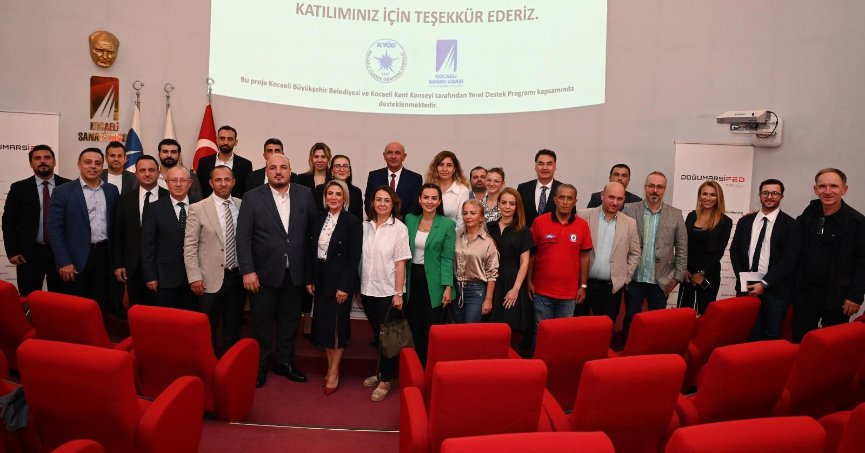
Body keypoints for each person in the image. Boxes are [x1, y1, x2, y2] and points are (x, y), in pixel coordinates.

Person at [237, 154, 317, 387]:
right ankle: (260, 365)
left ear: (291, 170)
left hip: (294, 274)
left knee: (289, 322)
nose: (278, 171)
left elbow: (312, 236)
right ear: (267, 171)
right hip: (262, 276)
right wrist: (248, 270)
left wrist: (310, 274)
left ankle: (285, 362)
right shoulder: (252, 197)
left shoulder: (305, 194)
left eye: (283, 167)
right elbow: (243, 238)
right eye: (273, 168)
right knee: (261, 323)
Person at [793, 168, 865, 342]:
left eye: (833, 186)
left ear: (844, 190)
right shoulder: (811, 211)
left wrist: (855, 296)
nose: (827, 191)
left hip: (838, 295)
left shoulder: (857, 222)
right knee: (801, 340)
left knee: (832, 344)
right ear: (815, 189)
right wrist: (760, 216)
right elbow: (792, 229)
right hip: (806, 293)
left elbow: (863, 262)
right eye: (822, 186)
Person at [306, 180, 362, 395]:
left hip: (340, 281)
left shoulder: (352, 222)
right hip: (321, 279)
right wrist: (310, 279)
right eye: (330, 193)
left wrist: (345, 286)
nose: (333, 197)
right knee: (325, 326)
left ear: (344, 198)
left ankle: (334, 370)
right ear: (325, 197)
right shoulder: (318, 218)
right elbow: (311, 251)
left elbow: (353, 258)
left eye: (338, 194)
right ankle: (330, 366)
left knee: (338, 327)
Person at [48, 148, 119, 310]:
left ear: (103, 166)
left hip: (104, 256)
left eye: (98, 163)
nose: (93, 166)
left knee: (101, 302)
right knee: (75, 306)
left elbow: (116, 226)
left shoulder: (111, 191)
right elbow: (54, 230)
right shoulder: (62, 191)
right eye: (88, 162)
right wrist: (64, 261)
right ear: (79, 165)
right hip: (75, 259)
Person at [729, 179, 801, 340]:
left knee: (771, 335)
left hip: (776, 291)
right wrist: (743, 279)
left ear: (781, 196)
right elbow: (735, 251)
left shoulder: (792, 225)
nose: (769, 196)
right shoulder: (745, 221)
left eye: (774, 193)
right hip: (747, 288)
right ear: (760, 195)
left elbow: (789, 260)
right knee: (747, 333)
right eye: (765, 193)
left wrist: (764, 283)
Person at [184, 165, 245, 354]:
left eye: (227, 179)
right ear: (211, 183)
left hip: (237, 276)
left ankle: (230, 362)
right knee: (207, 327)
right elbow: (190, 245)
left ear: (234, 182)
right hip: (207, 278)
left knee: (233, 325)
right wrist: (194, 276)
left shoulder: (242, 205)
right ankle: (207, 362)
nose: (223, 183)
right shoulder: (198, 208)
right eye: (218, 180)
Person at [360, 186, 412, 402]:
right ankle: (382, 372)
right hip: (367, 290)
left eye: (386, 200)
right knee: (378, 335)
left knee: (389, 337)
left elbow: (400, 263)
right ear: (373, 203)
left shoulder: (399, 228)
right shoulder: (365, 227)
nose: (382, 203)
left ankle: (386, 380)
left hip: (388, 292)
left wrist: (398, 293)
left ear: (393, 204)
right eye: (378, 199)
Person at [621, 172, 688, 339]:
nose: (655, 190)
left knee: (656, 323)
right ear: (645, 187)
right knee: (631, 318)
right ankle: (628, 349)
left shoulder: (675, 214)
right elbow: (620, 243)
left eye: (659, 187)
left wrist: (677, 277)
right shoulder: (629, 209)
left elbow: (682, 248)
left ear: (664, 189)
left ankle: (652, 351)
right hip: (634, 278)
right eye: (651, 186)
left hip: (661, 280)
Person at [3, 145, 70, 296]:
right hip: (29, 254)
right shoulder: (19, 188)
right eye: (37, 158)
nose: (43, 161)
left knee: (61, 299)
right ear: (31, 163)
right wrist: (12, 251)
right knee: (29, 298)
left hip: (61, 253)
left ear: (54, 162)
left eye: (47, 157)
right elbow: (9, 222)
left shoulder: (69, 186)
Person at [528, 184, 593, 335]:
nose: (565, 202)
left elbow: (585, 256)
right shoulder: (539, 222)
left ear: (575, 201)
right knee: (541, 331)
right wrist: (528, 281)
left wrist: (583, 286)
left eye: (569, 198)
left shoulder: (582, 225)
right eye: (561, 197)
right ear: (555, 200)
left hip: (569, 294)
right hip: (542, 291)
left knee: (562, 333)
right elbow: (531, 254)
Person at [404, 183, 455, 365]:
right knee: (414, 325)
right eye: (426, 197)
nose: (430, 201)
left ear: (439, 201)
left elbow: (448, 258)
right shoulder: (410, 219)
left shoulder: (447, 224)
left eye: (434, 198)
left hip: (435, 283)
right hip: (412, 279)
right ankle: (415, 366)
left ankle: (430, 367)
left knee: (431, 327)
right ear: (419, 199)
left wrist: (448, 287)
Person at [576, 182, 641, 320]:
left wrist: (625, 278)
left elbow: (635, 253)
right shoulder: (583, 215)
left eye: (619, 199)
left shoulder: (630, 223)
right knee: (577, 327)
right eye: (611, 197)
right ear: (602, 196)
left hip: (611, 288)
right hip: (582, 285)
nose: (615, 202)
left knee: (606, 328)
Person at [111, 155, 167, 308]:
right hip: (133, 266)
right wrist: (119, 264)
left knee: (162, 311)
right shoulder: (124, 200)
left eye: (151, 170)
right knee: (137, 310)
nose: (147, 174)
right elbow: (118, 234)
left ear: (158, 172)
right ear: (136, 173)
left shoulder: (169, 197)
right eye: (142, 170)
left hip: (163, 266)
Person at [141, 166, 198, 310]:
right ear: (166, 182)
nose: (178, 184)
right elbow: (147, 245)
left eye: (183, 180)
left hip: (195, 278)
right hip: (165, 278)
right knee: (167, 319)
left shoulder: (200, 206)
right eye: (174, 180)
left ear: (190, 183)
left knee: (191, 318)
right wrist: (150, 276)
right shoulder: (154, 208)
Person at [486, 188, 535, 345]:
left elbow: (525, 262)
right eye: (504, 202)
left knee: (510, 328)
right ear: (498, 204)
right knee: (490, 329)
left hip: (512, 281)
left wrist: (516, 289)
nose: (507, 207)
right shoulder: (489, 227)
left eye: (511, 204)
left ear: (517, 206)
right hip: (491, 281)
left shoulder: (523, 230)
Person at [679, 181, 733, 314]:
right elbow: (683, 244)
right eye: (705, 194)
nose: (708, 198)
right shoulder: (692, 215)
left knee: (704, 314)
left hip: (708, 274)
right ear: (699, 196)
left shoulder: (725, 221)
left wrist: (701, 272)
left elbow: (718, 252)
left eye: (713, 195)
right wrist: (683, 268)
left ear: (718, 198)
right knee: (684, 313)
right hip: (687, 274)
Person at [452, 199, 498, 323]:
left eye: (473, 213)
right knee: (456, 330)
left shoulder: (488, 242)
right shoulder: (456, 237)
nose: (468, 216)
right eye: (465, 213)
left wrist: (488, 299)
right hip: (456, 289)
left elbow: (492, 274)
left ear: (481, 217)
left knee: (470, 330)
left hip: (476, 291)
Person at [364, 141, 423, 216]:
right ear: (384, 156)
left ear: (404, 156)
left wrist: (397, 221)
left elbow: (415, 206)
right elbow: (369, 203)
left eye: (397, 153)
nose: (393, 156)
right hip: (379, 221)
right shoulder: (374, 176)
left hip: (404, 222)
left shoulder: (415, 179)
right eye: (389, 152)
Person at [196, 125, 252, 199]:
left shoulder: (245, 165)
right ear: (217, 140)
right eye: (222, 138)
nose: (225, 142)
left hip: (235, 205)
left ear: (235, 142)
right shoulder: (204, 162)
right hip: (208, 205)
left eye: (230, 139)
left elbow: (247, 191)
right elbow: (199, 188)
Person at [424, 150, 470, 229]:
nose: (444, 169)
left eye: (449, 165)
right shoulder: (428, 188)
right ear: (436, 167)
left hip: (452, 233)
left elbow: (461, 222)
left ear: (454, 168)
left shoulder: (462, 190)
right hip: (428, 232)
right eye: (441, 165)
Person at [517, 149, 562, 227]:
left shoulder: (563, 190)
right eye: (541, 164)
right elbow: (517, 216)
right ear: (535, 166)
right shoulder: (523, 189)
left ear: (555, 167)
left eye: (549, 164)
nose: (545, 167)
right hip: (527, 234)